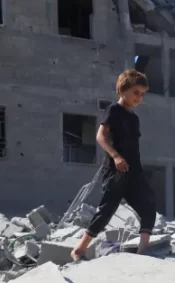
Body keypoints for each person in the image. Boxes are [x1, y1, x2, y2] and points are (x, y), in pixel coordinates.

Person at [70, 69, 156, 262]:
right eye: (135, 92)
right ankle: (79, 249)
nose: (139, 98)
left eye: (142, 94)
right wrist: (116, 156)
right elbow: (100, 136)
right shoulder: (113, 110)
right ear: (122, 90)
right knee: (107, 209)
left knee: (149, 203)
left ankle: (143, 252)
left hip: (134, 171)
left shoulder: (134, 118)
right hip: (116, 171)